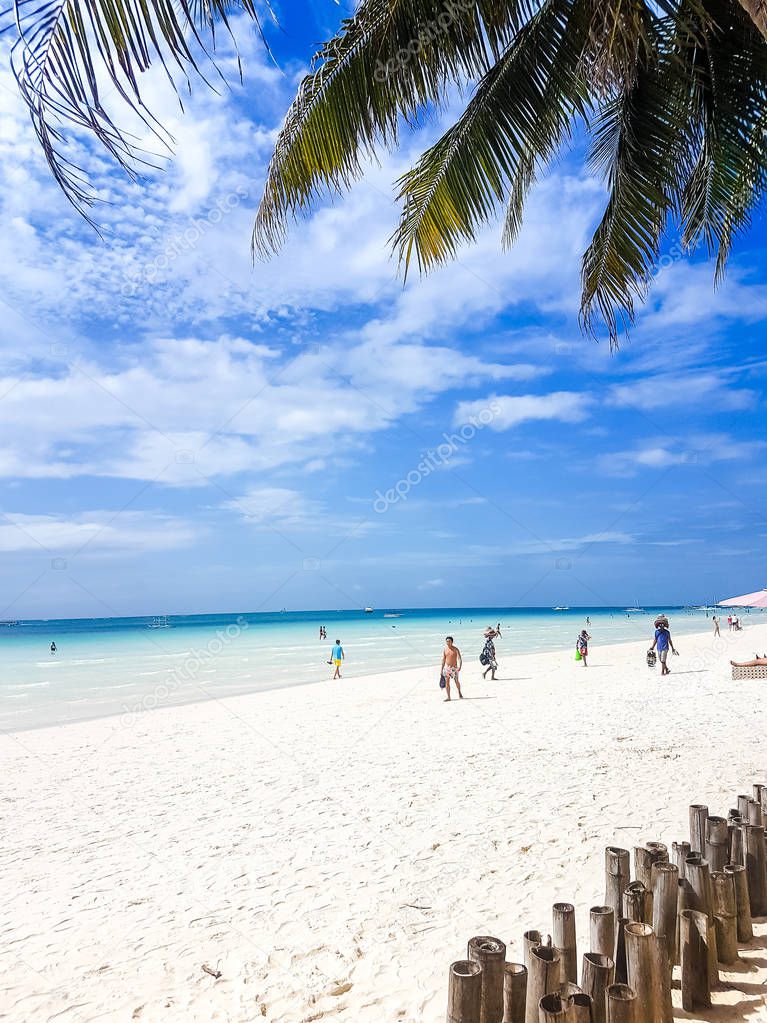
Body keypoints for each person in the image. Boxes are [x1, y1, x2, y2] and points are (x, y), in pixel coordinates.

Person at [441, 636, 463, 701]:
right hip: (447, 668)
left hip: (454, 668)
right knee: (447, 682)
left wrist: (460, 666)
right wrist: (441, 669)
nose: (448, 642)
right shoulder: (445, 649)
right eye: (447, 641)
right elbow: (443, 660)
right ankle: (449, 697)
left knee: (456, 681)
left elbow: (459, 658)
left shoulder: (455, 649)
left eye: (449, 641)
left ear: (452, 642)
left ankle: (459, 692)